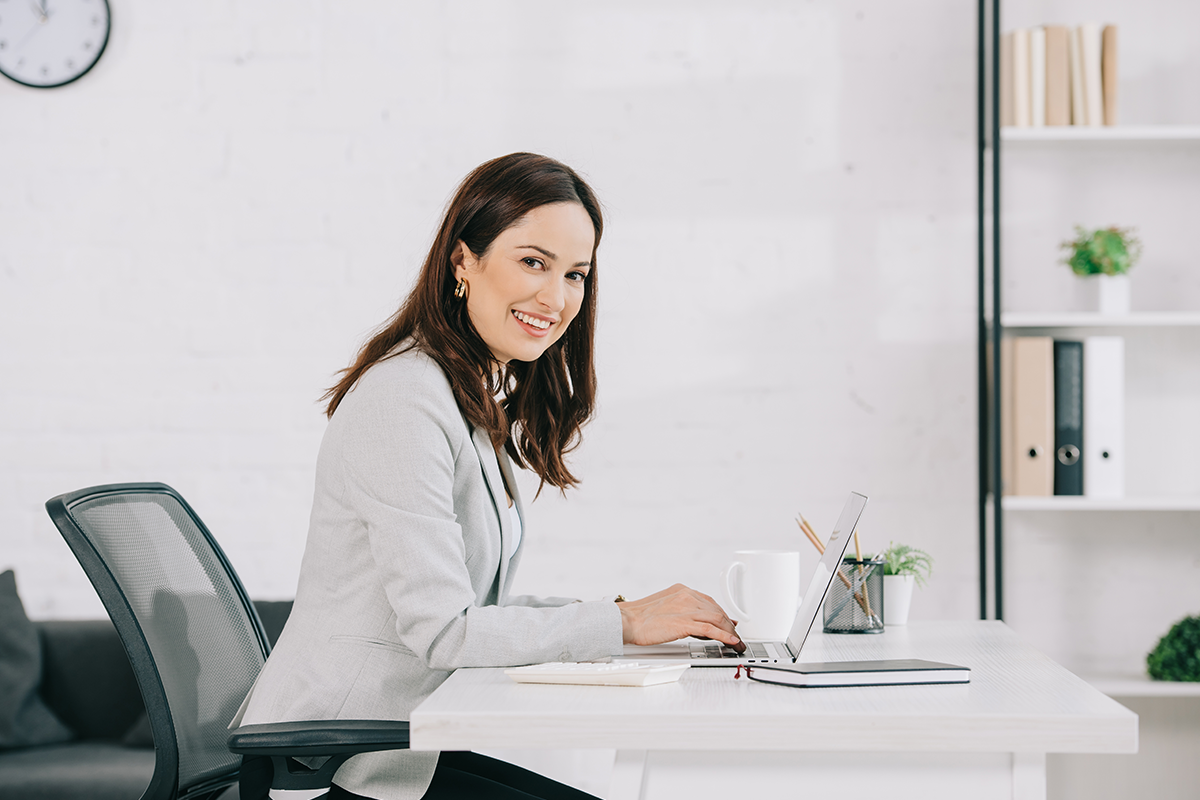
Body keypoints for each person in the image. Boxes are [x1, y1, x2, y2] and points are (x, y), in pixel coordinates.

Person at [231, 153, 744, 800]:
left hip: (389, 755)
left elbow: (476, 610)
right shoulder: (403, 400)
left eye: (576, 274)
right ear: (462, 263)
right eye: (533, 261)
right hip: (327, 767)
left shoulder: (458, 395)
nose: (556, 299)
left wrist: (624, 620)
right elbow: (445, 631)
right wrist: (624, 624)